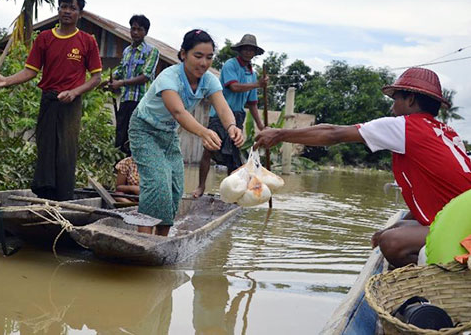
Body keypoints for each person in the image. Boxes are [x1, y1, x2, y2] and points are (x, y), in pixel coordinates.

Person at [254, 67, 471, 268]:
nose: (392, 107)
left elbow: (334, 134)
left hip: (464, 227)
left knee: (391, 243)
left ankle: (435, 278)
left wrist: (280, 134)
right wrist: (393, 227)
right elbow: (438, 198)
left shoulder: (405, 126)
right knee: (393, 231)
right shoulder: (447, 133)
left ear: (411, 99)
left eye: (395, 99)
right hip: (462, 218)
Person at [0, 0, 102, 201]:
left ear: (80, 13)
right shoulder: (45, 38)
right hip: (49, 100)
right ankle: (44, 197)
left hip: (71, 103)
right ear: (58, 9)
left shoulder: (87, 41)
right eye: (63, 6)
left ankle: (64, 199)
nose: (67, 11)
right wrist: (5, 80)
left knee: (66, 151)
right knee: (46, 148)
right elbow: (30, 71)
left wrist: (74, 92)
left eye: (72, 8)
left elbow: (96, 78)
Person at [128, 29, 245, 236]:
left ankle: (161, 241)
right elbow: (178, 111)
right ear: (183, 54)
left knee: (175, 186)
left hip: (168, 134)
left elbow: (223, 107)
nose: (203, 63)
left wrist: (232, 127)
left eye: (209, 57)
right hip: (144, 129)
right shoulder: (169, 76)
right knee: (157, 182)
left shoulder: (209, 80)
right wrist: (203, 132)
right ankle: (143, 238)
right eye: (197, 56)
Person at [192, 34, 267, 198]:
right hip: (220, 114)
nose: (248, 52)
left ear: (254, 52)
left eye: (251, 49)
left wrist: (261, 126)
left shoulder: (252, 74)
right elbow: (233, 87)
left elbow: (252, 103)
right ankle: (201, 186)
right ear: (240, 50)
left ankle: (230, 193)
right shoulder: (230, 65)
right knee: (209, 150)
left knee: (232, 157)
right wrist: (257, 84)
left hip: (238, 116)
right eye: (245, 48)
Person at [108, 15, 160, 155]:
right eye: (133, 29)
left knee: (135, 138)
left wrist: (121, 83)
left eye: (140, 29)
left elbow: (145, 76)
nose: (135, 32)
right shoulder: (127, 51)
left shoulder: (151, 51)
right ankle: (119, 172)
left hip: (141, 102)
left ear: (146, 32)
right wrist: (107, 80)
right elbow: (120, 70)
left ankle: (135, 174)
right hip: (125, 100)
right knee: (120, 137)